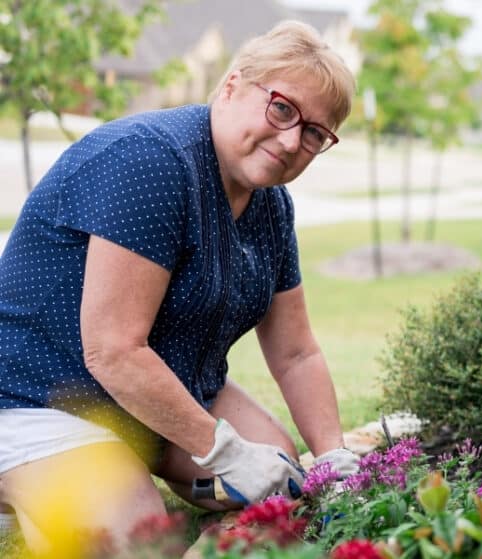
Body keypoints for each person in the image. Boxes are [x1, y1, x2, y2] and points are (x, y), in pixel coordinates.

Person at [0, 20, 359, 552]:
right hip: (37, 398)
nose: (290, 141)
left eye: (314, 133)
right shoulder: (152, 161)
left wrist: (333, 458)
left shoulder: (271, 206)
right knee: (141, 541)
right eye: (282, 108)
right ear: (232, 84)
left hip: (155, 397)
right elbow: (114, 351)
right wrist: (227, 453)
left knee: (282, 484)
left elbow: (295, 352)